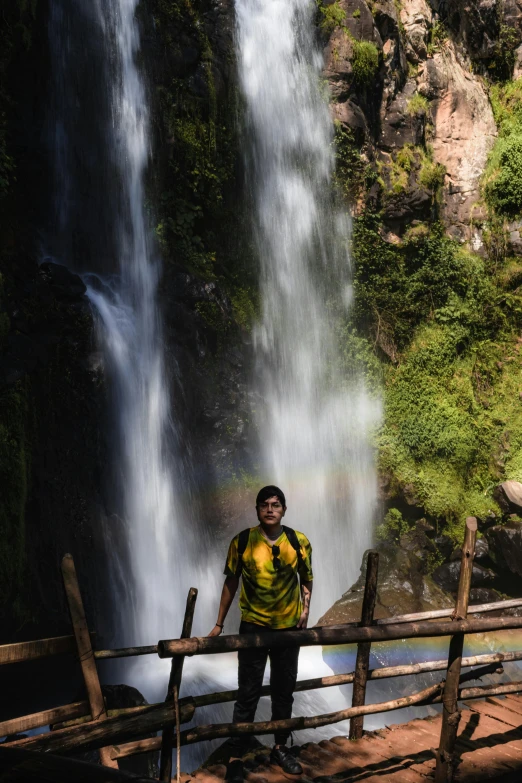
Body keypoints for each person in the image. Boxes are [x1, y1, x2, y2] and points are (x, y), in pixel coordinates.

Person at [208, 485, 313, 781]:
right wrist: (218, 623)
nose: (270, 509)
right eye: (264, 504)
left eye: (276, 504)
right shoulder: (242, 542)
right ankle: (236, 756)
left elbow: (306, 578)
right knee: (247, 693)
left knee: (284, 692)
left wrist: (305, 612)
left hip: (288, 630)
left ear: (284, 509)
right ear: (256, 509)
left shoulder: (298, 541)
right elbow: (231, 583)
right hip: (253, 628)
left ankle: (280, 748)